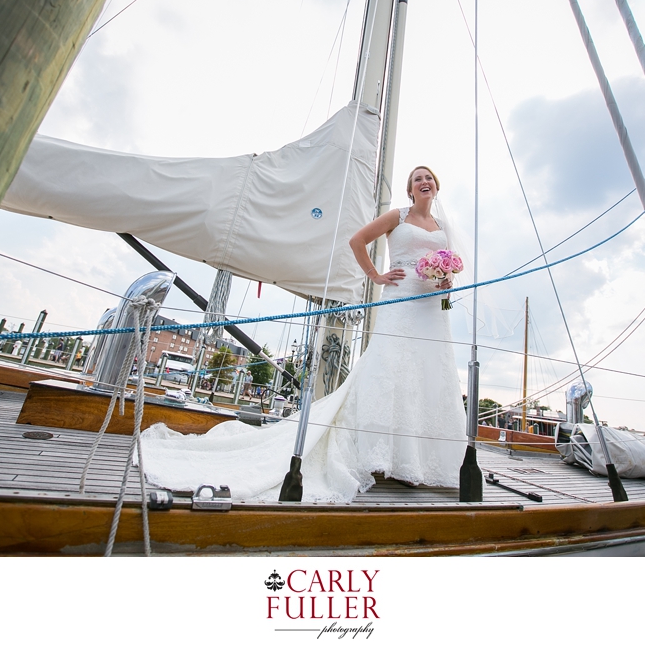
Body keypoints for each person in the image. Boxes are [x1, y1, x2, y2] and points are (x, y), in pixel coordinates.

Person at [139, 166, 467, 502]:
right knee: (393, 369)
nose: (424, 182)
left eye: (429, 178)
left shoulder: (443, 228)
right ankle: (386, 457)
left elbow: (451, 278)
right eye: (417, 179)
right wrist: (376, 276)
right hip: (400, 299)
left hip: (432, 306)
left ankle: (420, 462)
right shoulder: (397, 216)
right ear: (410, 190)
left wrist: (445, 285)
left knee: (430, 371)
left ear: (436, 187)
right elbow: (357, 241)